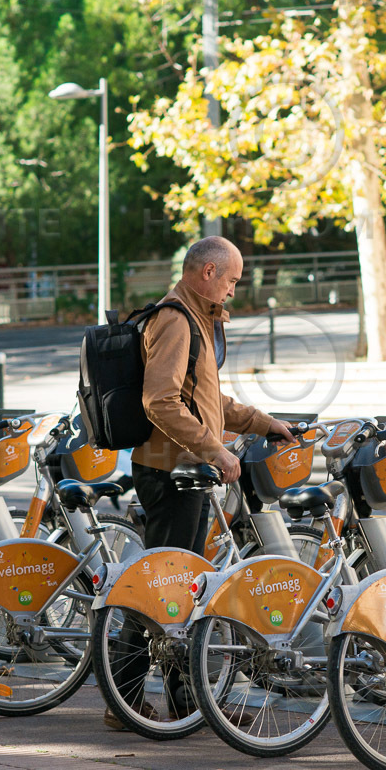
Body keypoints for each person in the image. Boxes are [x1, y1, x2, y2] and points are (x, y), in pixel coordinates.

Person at [105, 236, 294, 730]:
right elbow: (160, 401)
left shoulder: (196, 318)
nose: (233, 290)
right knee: (160, 588)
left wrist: (262, 423)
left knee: (181, 589)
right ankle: (124, 701)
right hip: (171, 472)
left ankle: (186, 701)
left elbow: (209, 401)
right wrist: (215, 450)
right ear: (207, 272)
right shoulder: (175, 320)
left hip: (183, 470)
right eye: (231, 279)